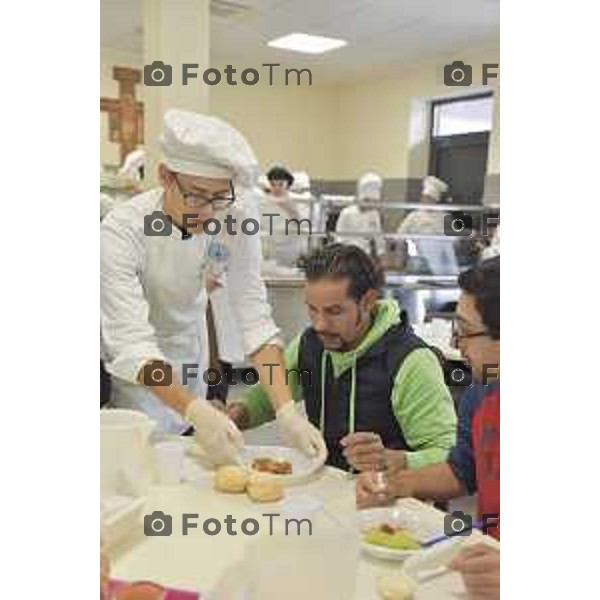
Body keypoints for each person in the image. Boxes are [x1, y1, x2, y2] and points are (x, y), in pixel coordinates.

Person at [101, 110, 325, 466]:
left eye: (219, 197)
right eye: (197, 196)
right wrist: (194, 409)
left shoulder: (235, 217)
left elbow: (254, 314)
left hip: (193, 358)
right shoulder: (123, 231)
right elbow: (132, 343)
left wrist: (285, 410)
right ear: (164, 177)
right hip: (140, 378)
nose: (208, 211)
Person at [228, 244, 457, 471]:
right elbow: (268, 398)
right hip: (327, 490)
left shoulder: (411, 361)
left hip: (390, 498)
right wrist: (231, 417)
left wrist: (393, 460)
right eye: (312, 309)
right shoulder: (309, 344)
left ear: (368, 301)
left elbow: (450, 456)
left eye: (334, 311)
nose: (319, 325)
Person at [356, 256, 500, 542]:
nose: (454, 344)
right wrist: (393, 484)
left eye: (466, 332)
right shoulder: (481, 394)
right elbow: (461, 471)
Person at [335, 172, 384, 257]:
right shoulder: (346, 213)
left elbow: (378, 236)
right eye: (368, 201)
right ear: (362, 199)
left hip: (365, 255)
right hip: (348, 255)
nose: (371, 205)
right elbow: (339, 238)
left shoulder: (374, 214)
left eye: (374, 202)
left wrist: (381, 252)